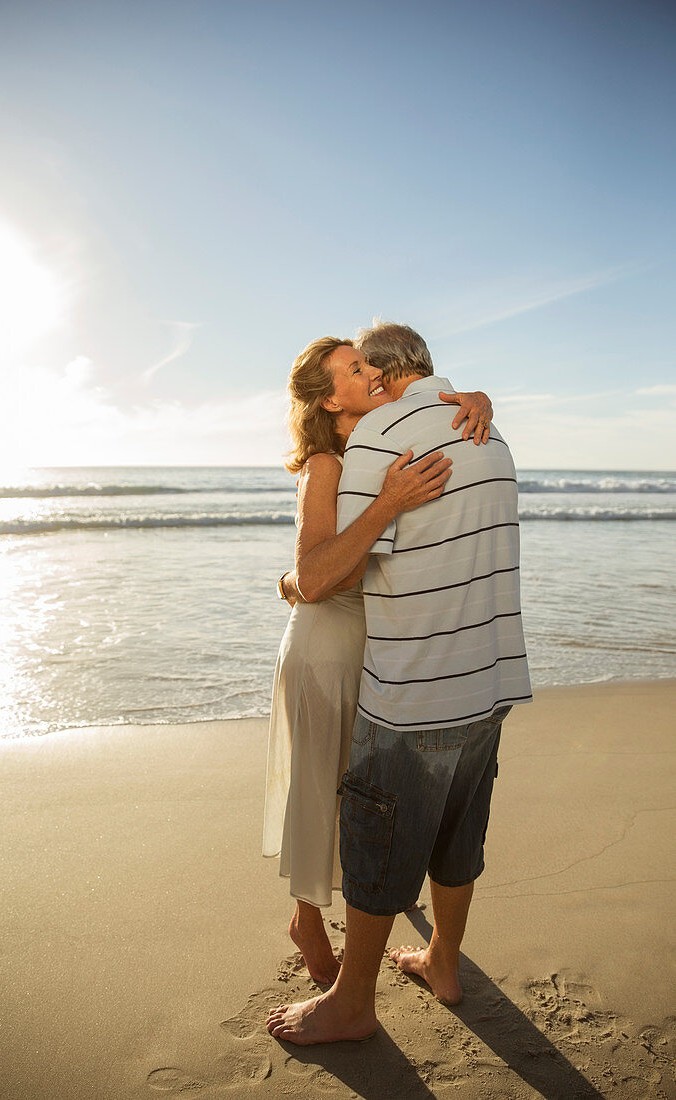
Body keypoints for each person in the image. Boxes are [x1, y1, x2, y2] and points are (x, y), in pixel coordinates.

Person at [266, 322, 532, 1045]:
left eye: (364, 364)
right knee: (341, 797)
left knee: (380, 821)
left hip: (402, 663)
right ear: (328, 400)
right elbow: (312, 579)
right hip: (356, 650)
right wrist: (377, 509)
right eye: (349, 370)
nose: (365, 376)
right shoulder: (346, 459)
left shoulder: (398, 436)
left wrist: (466, 398)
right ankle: (311, 919)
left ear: (386, 373)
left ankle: (375, 982)